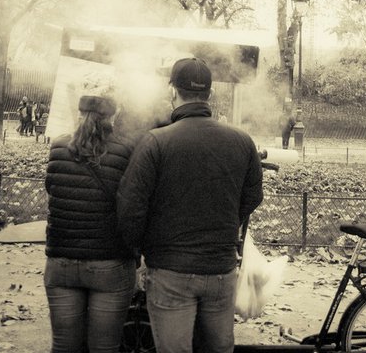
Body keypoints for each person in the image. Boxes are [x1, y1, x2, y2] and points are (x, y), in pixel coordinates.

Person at [117, 57, 264, 353]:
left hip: (170, 272)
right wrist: (225, 222)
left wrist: (140, 253)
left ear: (173, 91)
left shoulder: (155, 142)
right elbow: (252, 196)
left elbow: (130, 207)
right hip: (221, 271)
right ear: (209, 93)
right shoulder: (242, 141)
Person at [44, 94, 139, 353]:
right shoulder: (125, 150)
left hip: (61, 261)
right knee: (104, 348)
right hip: (109, 264)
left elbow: (53, 190)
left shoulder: (58, 147)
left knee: (63, 346)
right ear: (113, 117)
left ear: (78, 114)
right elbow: (131, 205)